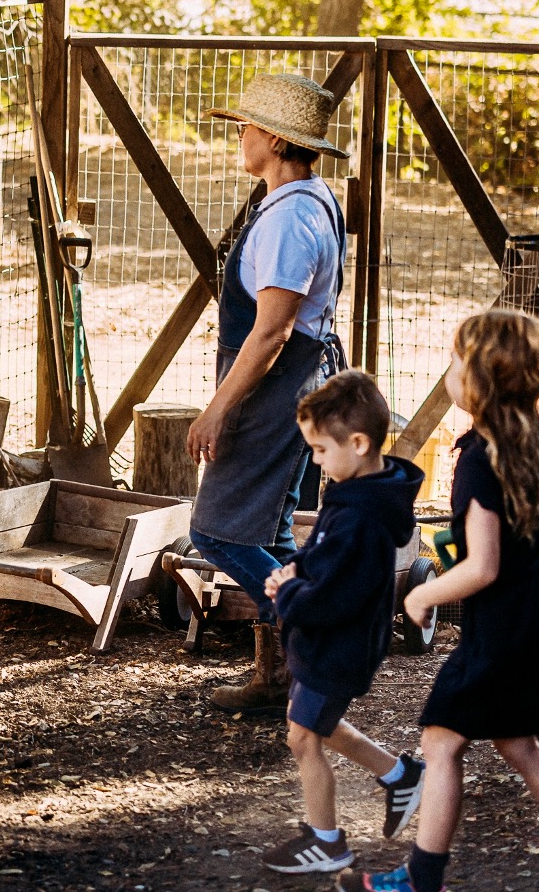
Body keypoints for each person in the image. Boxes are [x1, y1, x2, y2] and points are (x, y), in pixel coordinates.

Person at [341, 310, 539, 892]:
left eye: (454, 361)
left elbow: (482, 565)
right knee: (517, 742)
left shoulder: (479, 459)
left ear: (479, 379)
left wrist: (421, 593)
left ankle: (423, 880)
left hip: (504, 623)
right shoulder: (526, 435)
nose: (448, 370)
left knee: (441, 740)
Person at [186, 73, 350, 713]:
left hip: (274, 386)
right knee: (275, 530)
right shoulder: (302, 200)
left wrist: (216, 410)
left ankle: (315, 630)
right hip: (289, 381)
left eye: (249, 127)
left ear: (277, 141)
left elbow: (273, 330)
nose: (242, 135)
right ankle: (279, 676)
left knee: (217, 533)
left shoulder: (291, 221)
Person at [257, 370, 426, 876]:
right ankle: (399, 776)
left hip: (339, 645)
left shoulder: (363, 517)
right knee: (317, 726)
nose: (315, 461)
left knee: (303, 736)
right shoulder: (356, 493)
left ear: (358, 442)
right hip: (329, 643)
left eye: (321, 450)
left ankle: (328, 843)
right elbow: (325, 559)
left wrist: (289, 592)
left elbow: (337, 595)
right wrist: (297, 572)